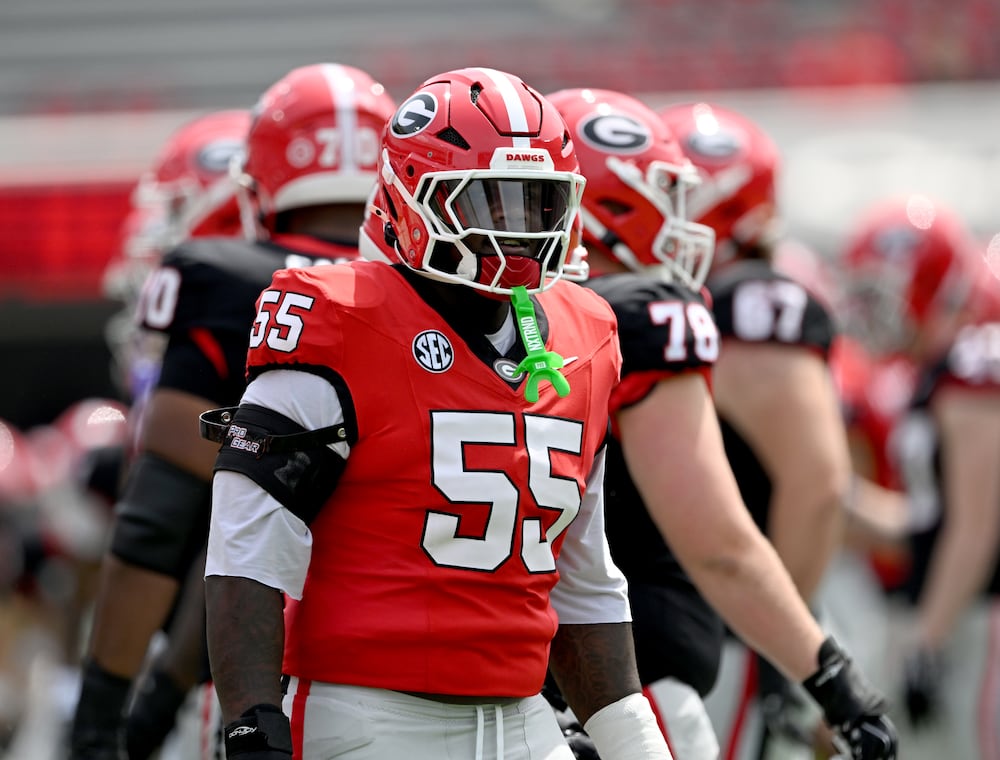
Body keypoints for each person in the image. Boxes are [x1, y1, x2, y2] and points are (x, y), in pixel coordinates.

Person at [203, 66, 673, 760]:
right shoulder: (341, 318)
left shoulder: (587, 334)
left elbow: (583, 580)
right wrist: (251, 716)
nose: (516, 232)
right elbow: (248, 547)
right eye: (487, 204)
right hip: (369, 719)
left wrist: (632, 738)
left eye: (536, 204)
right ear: (410, 197)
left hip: (524, 720)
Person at [545, 87, 897, 760]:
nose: (684, 219)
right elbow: (733, 537)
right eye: (665, 195)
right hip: (634, 679)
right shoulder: (655, 315)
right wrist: (820, 670)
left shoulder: (470, 316)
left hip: (496, 684)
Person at [67, 62, 396, 760]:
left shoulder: (226, 278)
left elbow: (161, 530)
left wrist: (112, 716)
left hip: (257, 682)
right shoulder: (443, 299)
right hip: (458, 675)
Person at [655, 100, 854, 758]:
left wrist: (778, 638)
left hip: (728, 628)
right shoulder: (696, 300)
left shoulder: (750, 304)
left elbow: (819, 482)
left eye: (673, 192)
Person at [839, 194, 1000, 760]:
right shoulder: (933, 371)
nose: (873, 312)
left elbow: (976, 525)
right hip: (951, 610)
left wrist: (927, 643)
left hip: (979, 615)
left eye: (882, 294)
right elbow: (930, 520)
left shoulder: (974, 365)